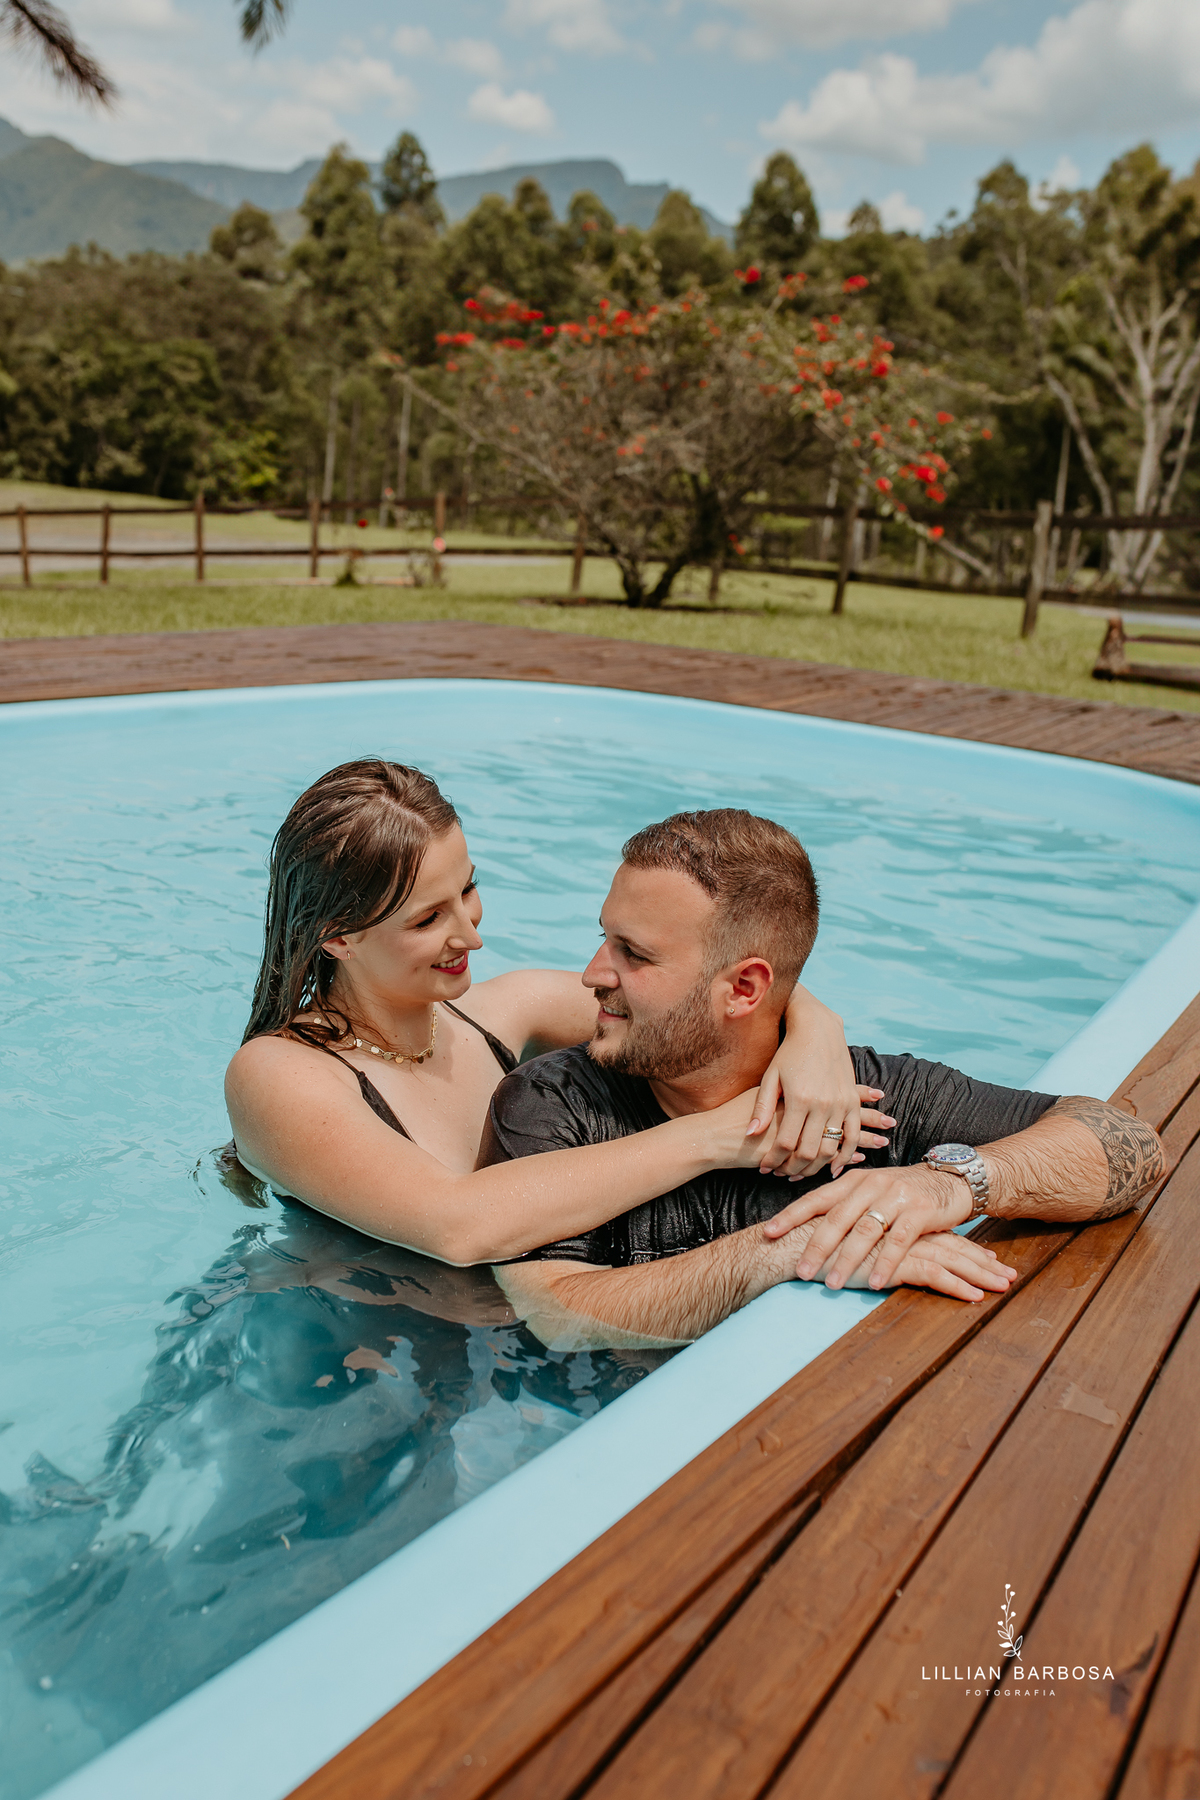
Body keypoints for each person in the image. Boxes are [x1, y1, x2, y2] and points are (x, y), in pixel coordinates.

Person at [480, 809, 1166, 1351]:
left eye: (633, 953)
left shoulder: (870, 1099)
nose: (594, 973)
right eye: (604, 937)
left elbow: (1125, 1144)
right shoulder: (551, 1101)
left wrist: (950, 1184)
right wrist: (786, 1250)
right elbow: (554, 1314)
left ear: (744, 988)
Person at [225, 761, 892, 1265]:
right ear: (338, 935)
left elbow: (697, 1000)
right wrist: (722, 1137)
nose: (471, 934)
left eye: (468, 889)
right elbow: (459, 1228)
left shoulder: (503, 1013)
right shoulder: (280, 1075)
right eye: (429, 918)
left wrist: (815, 1032)